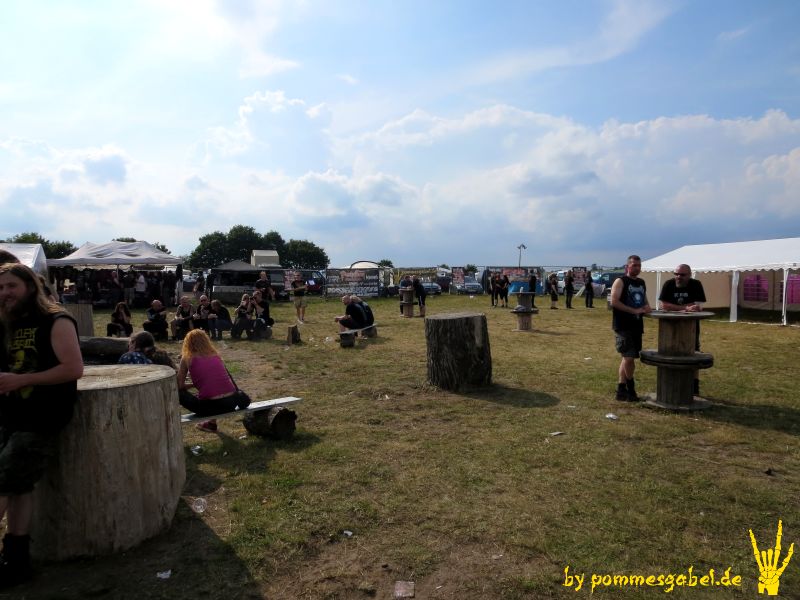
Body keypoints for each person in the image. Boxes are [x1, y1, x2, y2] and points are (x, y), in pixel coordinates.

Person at [0, 263, 83, 587]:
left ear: (30, 287)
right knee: (19, 488)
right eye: (0, 288)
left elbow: (74, 368)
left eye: (11, 286)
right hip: (8, 416)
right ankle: (17, 563)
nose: (5, 293)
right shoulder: (5, 324)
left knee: (4, 482)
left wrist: (23, 379)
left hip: (41, 418)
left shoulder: (56, 320)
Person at [176, 330, 249, 433]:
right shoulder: (215, 355)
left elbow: (180, 386)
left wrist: (194, 384)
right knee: (215, 391)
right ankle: (211, 424)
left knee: (178, 392)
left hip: (209, 408)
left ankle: (170, 421)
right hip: (231, 403)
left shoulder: (187, 358)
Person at [658, 264, 707, 395]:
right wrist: (685, 308)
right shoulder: (669, 284)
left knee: (693, 352)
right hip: (670, 327)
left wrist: (676, 307)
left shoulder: (696, 284)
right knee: (669, 354)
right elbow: (664, 305)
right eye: (676, 274)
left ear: (689, 275)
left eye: (682, 275)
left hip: (690, 327)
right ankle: (670, 386)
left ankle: (694, 385)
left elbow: (698, 306)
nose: (678, 277)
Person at [610, 255, 652, 401]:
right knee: (629, 358)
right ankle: (631, 390)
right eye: (634, 265)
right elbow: (614, 301)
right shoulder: (620, 281)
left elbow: (645, 301)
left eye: (639, 265)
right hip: (623, 325)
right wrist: (634, 311)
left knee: (627, 358)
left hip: (637, 325)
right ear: (627, 266)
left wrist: (647, 308)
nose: (637, 268)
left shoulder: (641, 282)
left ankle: (621, 390)